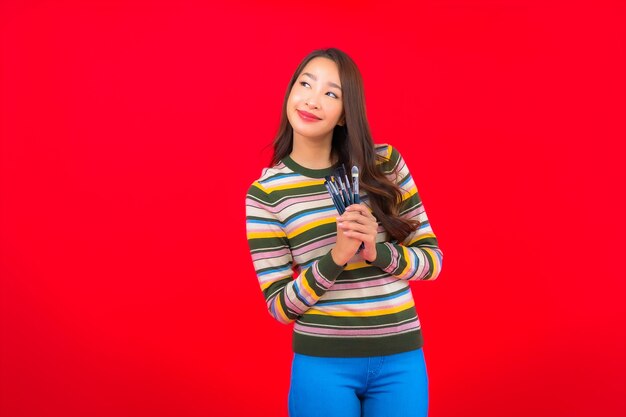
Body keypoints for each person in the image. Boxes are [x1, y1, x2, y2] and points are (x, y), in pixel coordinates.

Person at [245, 48, 443, 417]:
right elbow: (280, 306)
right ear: (290, 91)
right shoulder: (266, 193)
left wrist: (377, 252)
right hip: (323, 365)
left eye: (331, 93)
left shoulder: (385, 165)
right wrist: (336, 256)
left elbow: (432, 263)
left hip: (401, 359)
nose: (312, 100)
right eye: (305, 84)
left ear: (345, 114)